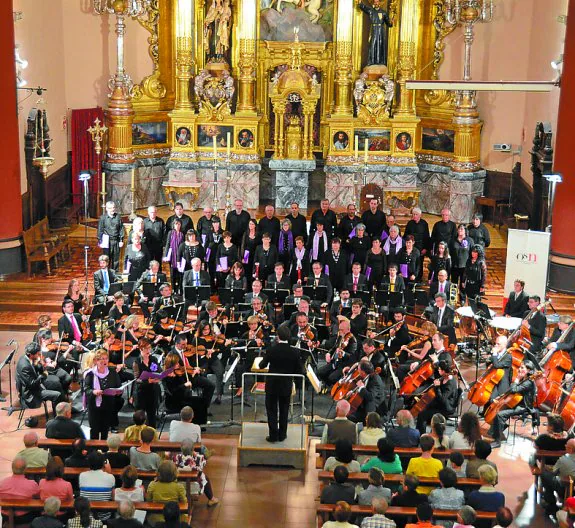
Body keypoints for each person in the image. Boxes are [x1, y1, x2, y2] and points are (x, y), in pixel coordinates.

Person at [259, 325, 303, 442]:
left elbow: (261, 365)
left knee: (271, 410)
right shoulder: (294, 352)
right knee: (284, 410)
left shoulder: (272, 350)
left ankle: (273, 436)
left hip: (272, 385)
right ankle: (282, 435)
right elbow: (300, 371)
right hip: (285, 385)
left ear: (278, 336)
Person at [488, 360, 537, 447]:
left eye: (522, 368)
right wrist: (502, 396)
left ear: (529, 370)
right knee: (500, 410)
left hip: (523, 407)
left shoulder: (529, 382)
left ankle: (497, 441)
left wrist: (517, 379)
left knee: (500, 415)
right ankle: (497, 430)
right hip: (517, 403)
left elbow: (514, 390)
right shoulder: (525, 379)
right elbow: (511, 391)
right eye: (520, 367)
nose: (519, 369)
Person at [84, 349, 122, 440]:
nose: (104, 361)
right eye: (101, 359)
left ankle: (104, 451)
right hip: (94, 407)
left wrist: (119, 392)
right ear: (96, 361)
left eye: (106, 359)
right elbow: (86, 389)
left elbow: (118, 386)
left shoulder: (112, 372)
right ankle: (94, 452)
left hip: (108, 405)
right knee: (94, 431)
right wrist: (94, 392)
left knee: (105, 430)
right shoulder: (90, 374)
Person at [16, 342, 62, 413]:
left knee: (57, 384)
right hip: (31, 394)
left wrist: (39, 365)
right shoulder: (25, 366)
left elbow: (33, 369)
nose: (39, 355)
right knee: (57, 395)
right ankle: (58, 417)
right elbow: (32, 384)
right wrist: (43, 375)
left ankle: (65, 407)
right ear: (31, 355)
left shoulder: (25, 358)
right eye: (37, 354)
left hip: (36, 386)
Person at [415, 360, 459, 435]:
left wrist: (437, 387)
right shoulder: (444, 377)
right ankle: (426, 432)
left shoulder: (450, 384)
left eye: (439, 369)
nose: (438, 370)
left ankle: (420, 435)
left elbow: (443, 399)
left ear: (444, 371)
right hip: (441, 404)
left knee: (422, 414)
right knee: (425, 408)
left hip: (446, 408)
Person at [172, 438, 219, 506]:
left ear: (181, 449)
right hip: (195, 486)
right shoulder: (199, 458)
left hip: (179, 485)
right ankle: (211, 499)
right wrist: (196, 455)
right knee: (205, 477)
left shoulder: (176, 457)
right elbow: (203, 464)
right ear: (193, 449)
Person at [145, 461, 188, 526]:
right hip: (176, 519)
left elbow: (148, 500)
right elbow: (184, 502)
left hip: (156, 518)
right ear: (175, 473)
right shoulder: (179, 487)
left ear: (158, 473)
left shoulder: (152, 485)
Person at [540, 438, 575, 515]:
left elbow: (553, 470)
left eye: (566, 446)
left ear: (570, 449)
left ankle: (551, 504)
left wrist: (546, 468)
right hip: (573, 489)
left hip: (565, 488)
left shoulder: (564, 459)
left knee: (544, 475)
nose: (565, 446)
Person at [0, 457, 40, 523]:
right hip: (25, 516)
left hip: (6, 516)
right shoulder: (32, 484)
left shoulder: (2, 483)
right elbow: (38, 497)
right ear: (25, 469)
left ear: (12, 468)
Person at [79, 451, 115, 520]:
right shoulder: (110, 477)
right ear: (103, 464)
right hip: (105, 516)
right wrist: (109, 473)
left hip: (86, 516)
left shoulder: (82, 475)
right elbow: (112, 497)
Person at [348, 360, 385, 424]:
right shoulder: (365, 376)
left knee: (349, 417)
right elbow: (363, 389)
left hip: (373, 408)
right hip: (364, 402)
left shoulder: (375, 380)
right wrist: (353, 392)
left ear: (363, 372)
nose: (357, 370)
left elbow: (370, 397)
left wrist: (361, 387)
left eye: (358, 369)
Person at [97, 201, 124, 270]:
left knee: (116, 259)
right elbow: (100, 230)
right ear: (106, 209)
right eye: (110, 208)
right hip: (107, 241)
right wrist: (100, 241)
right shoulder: (103, 218)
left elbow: (121, 229)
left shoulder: (118, 217)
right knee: (106, 258)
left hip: (116, 240)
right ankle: (106, 273)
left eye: (113, 207)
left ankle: (115, 274)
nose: (112, 209)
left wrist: (121, 240)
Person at [164, 219, 185, 294]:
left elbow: (183, 245)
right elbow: (168, 244)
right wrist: (166, 255)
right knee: (173, 274)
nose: (177, 226)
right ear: (173, 225)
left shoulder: (182, 234)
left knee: (180, 273)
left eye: (179, 224)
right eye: (176, 224)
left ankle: (179, 288)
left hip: (180, 256)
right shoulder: (170, 233)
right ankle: (173, 289)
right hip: (172, 256)